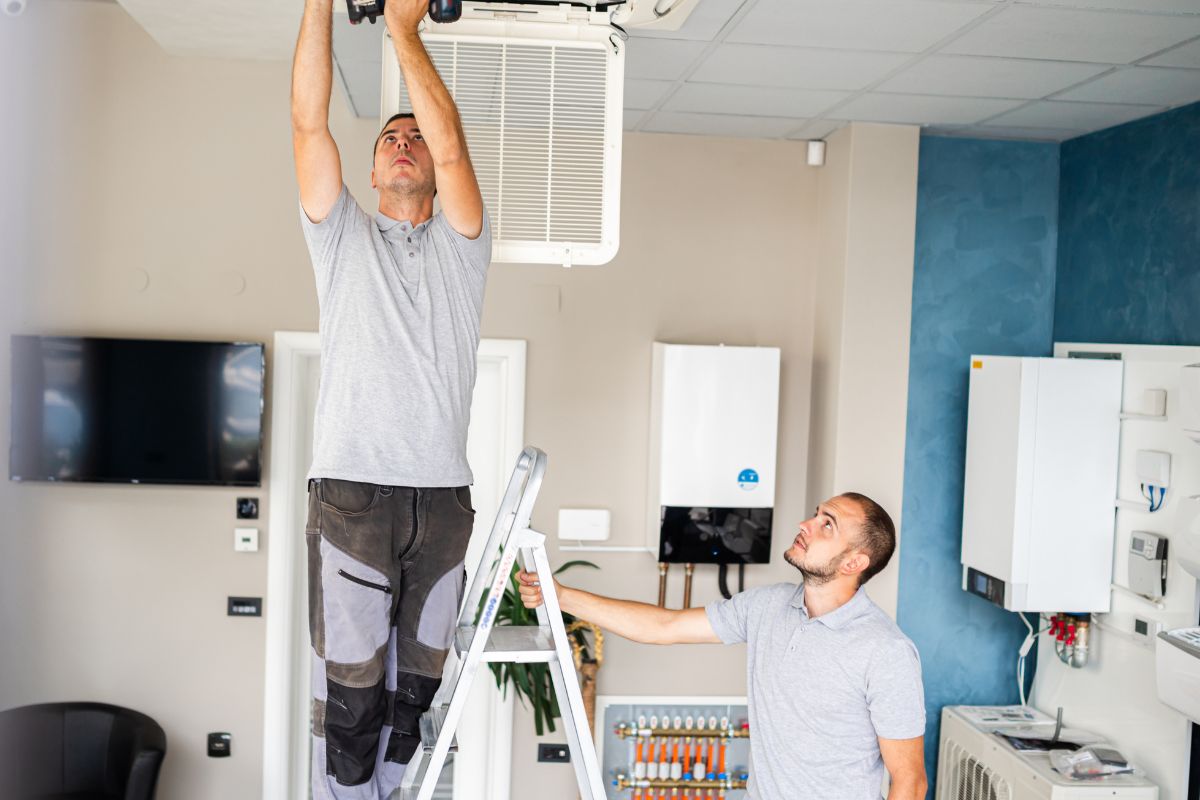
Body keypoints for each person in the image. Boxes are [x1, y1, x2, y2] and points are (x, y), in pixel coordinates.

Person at [290, 0, 490, 795]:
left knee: (416, 702)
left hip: (442, 505)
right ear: (372, 172)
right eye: (388, 139)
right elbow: (309, 126)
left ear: (433, 167)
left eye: (414, 138)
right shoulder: (339, 237)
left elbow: (454, 141)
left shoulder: (463, 248)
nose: (404, 144)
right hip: (353, 498)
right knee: (352, 702)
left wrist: (406, 33)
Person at [520, 492, 929, 800]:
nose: (806, 523)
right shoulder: (768, 606)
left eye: (828, 525)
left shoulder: (885, 651)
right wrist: (561, 596)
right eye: (816, 514)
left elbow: (909, 779)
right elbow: (665, 626)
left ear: (854, 563)